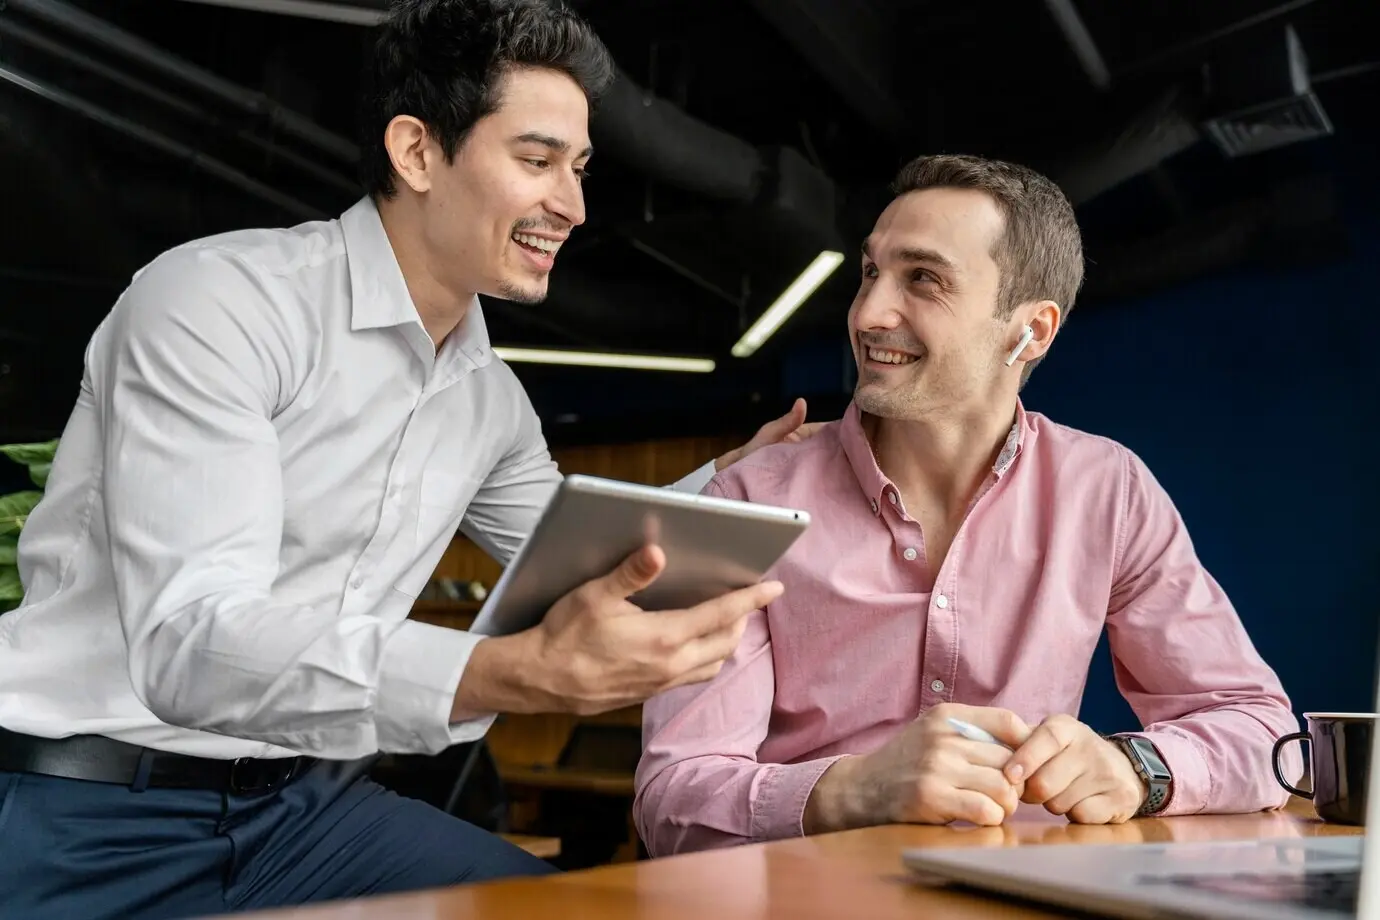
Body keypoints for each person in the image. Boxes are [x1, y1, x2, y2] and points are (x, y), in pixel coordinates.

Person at [0, 1, 812, 916]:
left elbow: (579, 546)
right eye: (538, 161)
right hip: (85, 806)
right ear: (418, 152)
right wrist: (506, 672)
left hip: (304, 816)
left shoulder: (488, 398)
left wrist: (735, 476)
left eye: (579, 169)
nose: (574, 207)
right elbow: (191, 641)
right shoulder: (218, 301)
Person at [633, 153, 1303, 857]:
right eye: (870, 273)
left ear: (1031, 330)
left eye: (923, 279)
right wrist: (853, 790)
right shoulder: (745, 499)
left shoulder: (1108, 490)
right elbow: (672, 801)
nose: (867, 313)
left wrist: (1138, 769)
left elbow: (1260, 731)